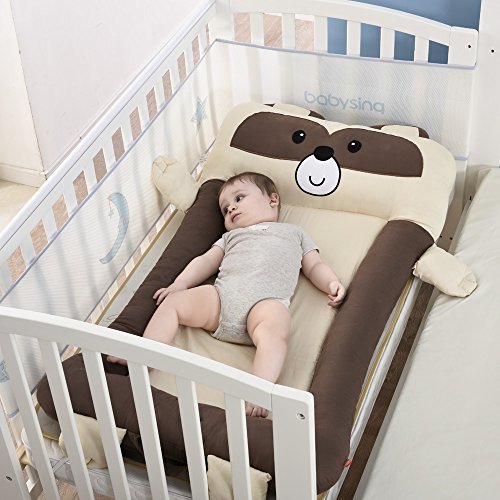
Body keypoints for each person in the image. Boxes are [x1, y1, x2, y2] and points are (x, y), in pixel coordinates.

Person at [108, 172, 346, 417]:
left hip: (263, 307)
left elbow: (314, 265)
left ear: (272, 200)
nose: (231, 207)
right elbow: (205, 261)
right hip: (222, 300)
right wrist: (180, 284)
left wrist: (331, 283)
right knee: (173, 303)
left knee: (276, 329)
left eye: (239, 198)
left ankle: (259, 390)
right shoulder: (230, 237)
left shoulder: (294, 233)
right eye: (225, 209)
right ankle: (148, 353)